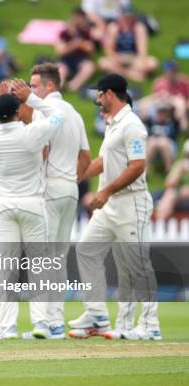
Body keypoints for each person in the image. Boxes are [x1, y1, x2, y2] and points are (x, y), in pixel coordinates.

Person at [68, 74, 161, 341]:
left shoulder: (132, 125)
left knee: (136, 265)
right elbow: (104, 160)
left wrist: (105, 191)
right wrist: (76, 176)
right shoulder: (113, 124)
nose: (97, 100)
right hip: (110, 204)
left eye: (99, 94)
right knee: (86, 249)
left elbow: (137, 166)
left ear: (110, 94)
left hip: (131, 202)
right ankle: (98, 316)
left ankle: (149, 326)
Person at [0, 88, 66, 340]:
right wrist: (31, 98)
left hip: (2, 204)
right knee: (38, 264)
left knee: (6, 267)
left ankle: (7, 327)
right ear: (18, 113)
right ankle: (41, 323)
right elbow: (58, 114)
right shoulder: (33, 133)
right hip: (32, 204)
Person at [16, 63, 91, 340]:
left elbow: (42, 149)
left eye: (34, 85)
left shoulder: (44, 113)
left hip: (48, 189)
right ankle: (56, 323)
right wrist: (73, 179)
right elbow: (86, 155)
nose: (30, 90)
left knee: (41, 259)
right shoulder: (73, 112)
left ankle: (44, 324)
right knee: (56, 259)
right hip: (69, 189)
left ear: (49, 86)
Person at [98, 5, 157, 82]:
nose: (127, 18)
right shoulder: (114, 27)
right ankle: (131, 74)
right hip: (119, 56)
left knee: (153, 63)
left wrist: (142, 61)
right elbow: (109, 48)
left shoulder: (139, 27)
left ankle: (118, 73)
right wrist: (114, 59)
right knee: (103, 63)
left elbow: (142, 49)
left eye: (130, 16)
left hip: (134, 57)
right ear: (121, 15)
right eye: (125, 16)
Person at [56, 7, 96, 92]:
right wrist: (74, 44)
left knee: (89, 67)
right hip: (66, 60)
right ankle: (59, 86)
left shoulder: (86, 33)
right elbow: (60, 52)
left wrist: (86, 46)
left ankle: (73, 85)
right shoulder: (64, 33)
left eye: (81, 19)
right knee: (61, 70)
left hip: (80, 60)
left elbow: (91, 51)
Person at [155, 141, 189, 220]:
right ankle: (160, 223)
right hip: (180, 196)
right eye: (187, 155)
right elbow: (168, 184)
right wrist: (180, 172)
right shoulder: (180, 165)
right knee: (170, 194)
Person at [145, 103, 180, 173]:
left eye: (164, 112)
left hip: (169, 147)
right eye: (160, 112)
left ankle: (169, 170)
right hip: (153, 146)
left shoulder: (173, 122)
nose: (162, 114)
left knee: (162, 142)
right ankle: (146, 170)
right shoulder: (151, 122)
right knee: (152, 141)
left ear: (168, 113)